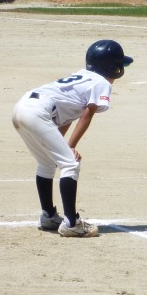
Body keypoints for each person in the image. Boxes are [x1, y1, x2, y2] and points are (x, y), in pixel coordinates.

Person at [12, 40, 133, 238]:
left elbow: (66, 116)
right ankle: (71, 223)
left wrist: (62, 146)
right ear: (113, 67)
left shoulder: (83, 76)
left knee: (47, 162)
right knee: (70, 163)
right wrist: (70, 148)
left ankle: (49, 216)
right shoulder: (101, 83)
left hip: (22, 106)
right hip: (38, 112)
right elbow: (87, 115)